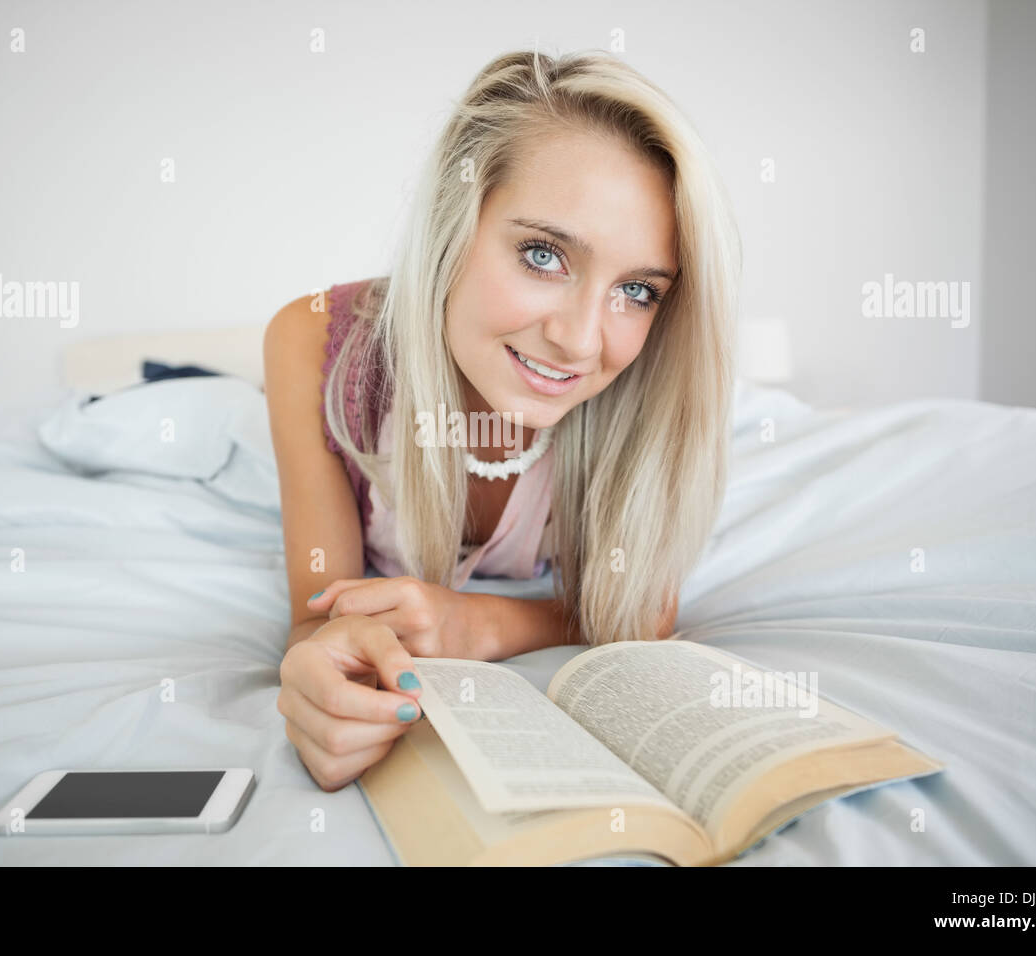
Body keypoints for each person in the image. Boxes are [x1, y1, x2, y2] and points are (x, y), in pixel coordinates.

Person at [264, 48, 742, 791]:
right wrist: (319, 671)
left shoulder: (649, 387)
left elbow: (643, 609)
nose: (582, 341)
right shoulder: (313, 342)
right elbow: (316, 615)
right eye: (544, 254)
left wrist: (478, 623)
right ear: (453, 228)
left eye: (638, 291)